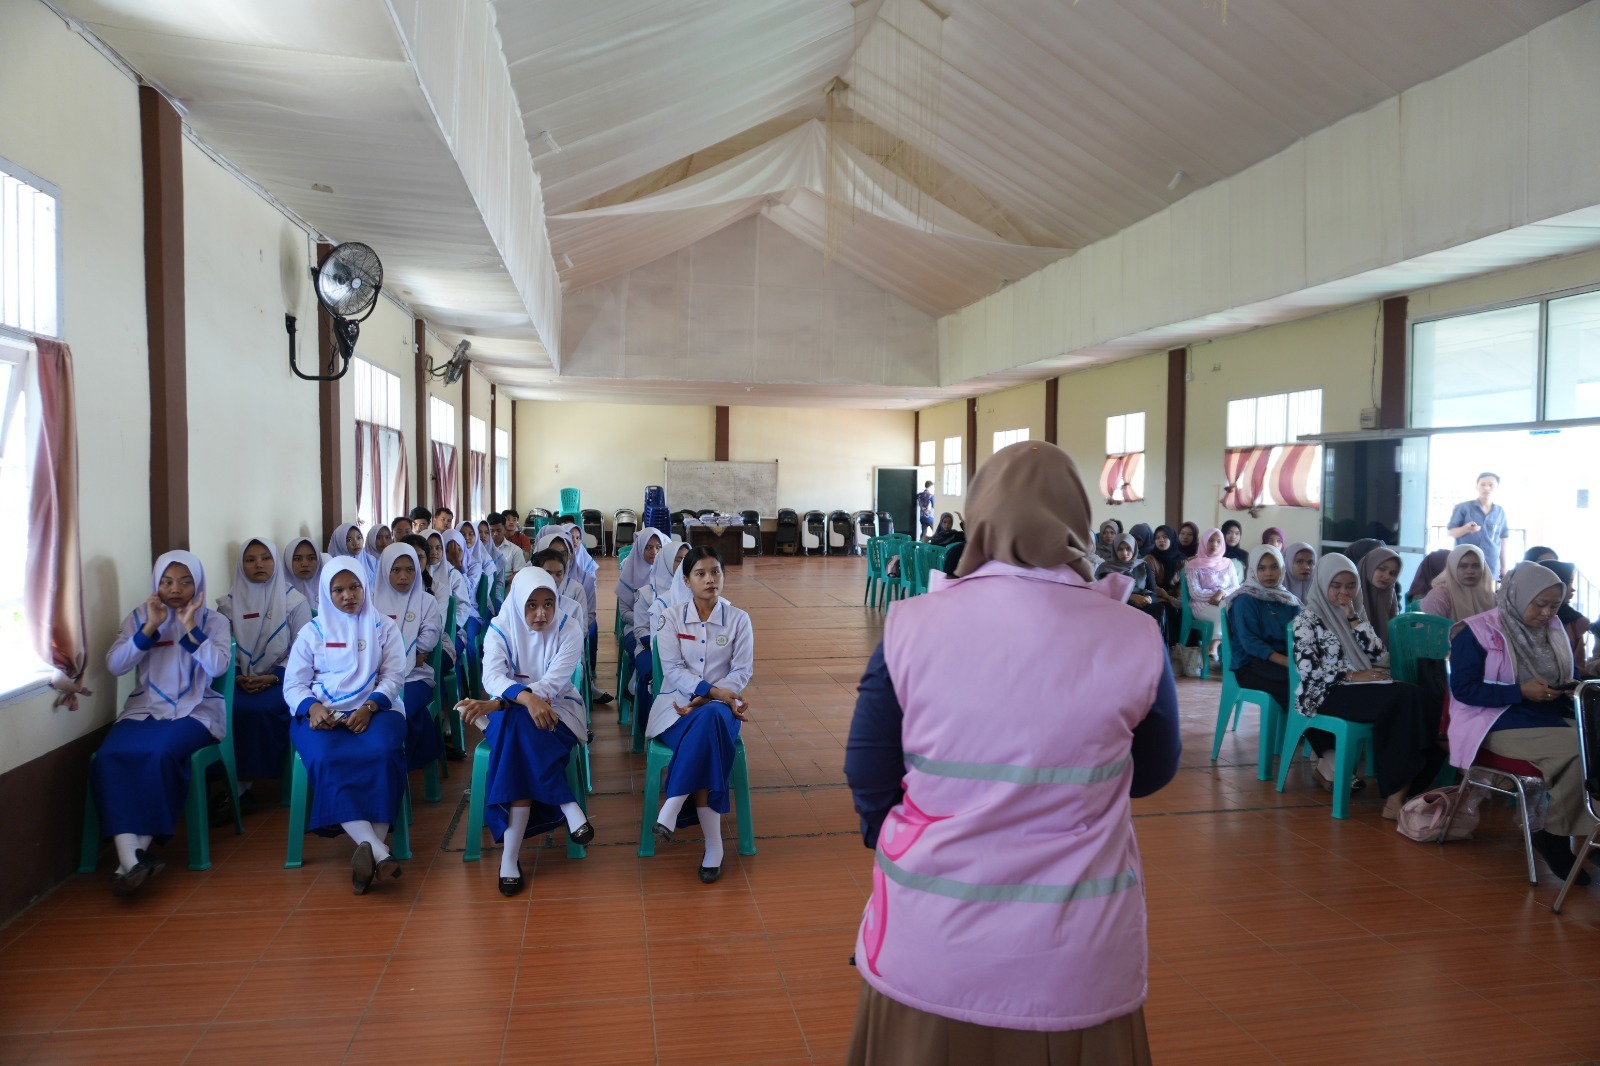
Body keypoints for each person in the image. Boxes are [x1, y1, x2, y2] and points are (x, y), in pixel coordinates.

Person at [843, 441, 1178, 1063]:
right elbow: (1154, 770)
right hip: (1077, 956)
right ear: (1076, 518)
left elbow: (867, 766)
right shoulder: (1134, 631)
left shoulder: (913, 624)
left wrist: (895, 833)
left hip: (932, 943)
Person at [92, 551, 232, 895]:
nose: (176, 589)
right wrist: (150, 627)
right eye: (167, 582)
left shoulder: (213, 620)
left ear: (197, 584)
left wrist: (189, 626)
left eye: (185, 582)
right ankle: (133, 859)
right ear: (156, 583)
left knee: (159, 755)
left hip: (196, 712)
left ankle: (130, 858)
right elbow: (115, 665)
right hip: (144, 711)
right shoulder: (140, 616)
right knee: (110, 756)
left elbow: (218, 668)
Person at [454, 568, 594, 896]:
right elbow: (492, 677)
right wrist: (523, 700)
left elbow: (554, 684)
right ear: (518, 603)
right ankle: (567, 805)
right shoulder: (501, 628)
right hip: (516, 714)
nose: (541, 613)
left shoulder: (569, 628)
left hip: (558, 712)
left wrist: (502, 704)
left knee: (517, 736)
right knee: (520, 730)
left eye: (548, 603)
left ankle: (509, 859)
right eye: (531, 605)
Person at [1447, 563, 1590, 883]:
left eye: (1555, 606)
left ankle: (1589, 833)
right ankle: (1553, 837)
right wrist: (1519, 691)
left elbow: (1572, 676)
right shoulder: (1476, 631)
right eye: (1539, 604)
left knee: (1592, 743)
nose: (1546, 613)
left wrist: (1569, 686)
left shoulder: (1553, 628)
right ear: (1517, 596)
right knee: (1579, 751)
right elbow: (1464, 690)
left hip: (1547, 715)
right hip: (1494, 721)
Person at [283, 558, 409, 894]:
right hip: (322, 716)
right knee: (325, 759)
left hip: (378, 709)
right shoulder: (312, 631)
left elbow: (395, 675)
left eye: (354, 587)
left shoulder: (383, 626)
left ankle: (370, 850)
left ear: (365, 587)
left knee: (383, 751)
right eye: (338, 590)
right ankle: (377, 851)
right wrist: (311, 707)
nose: (348, 596)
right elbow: (293, 683)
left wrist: (370, 707)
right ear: (326, 593)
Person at [1291, 555, 1444, 819]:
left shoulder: (1355, 615)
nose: (1343, 592)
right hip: (1325, 692)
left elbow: (1381, 657)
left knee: (1425, 699)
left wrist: (1353, 618)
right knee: (1406, 698)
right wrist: (1351, 675)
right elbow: (1308, 670)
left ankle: (1406, 792)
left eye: (1351, 586)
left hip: (1364, 685)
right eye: (1336, 585)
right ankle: (1398, 797)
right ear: (1322, 583)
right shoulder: (1307, 620)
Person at [646, 547, 753, 884]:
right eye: (701, 574)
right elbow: (673, 671)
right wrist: (709, 692)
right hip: (677, 709)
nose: (710, 579)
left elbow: (741, 671)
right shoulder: (671, 617)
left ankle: (673, 803)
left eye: (716, 572)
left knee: (710, 721)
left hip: (721, 709)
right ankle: (713, 845)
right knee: (709, 734)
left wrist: (712, 697)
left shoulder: (739, 619)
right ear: (687, 580)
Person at [216, 539, 311, 787]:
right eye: (250, 560)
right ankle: (229, 779)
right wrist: (237, 676)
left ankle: (246, 783)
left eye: (265, 558)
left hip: (285, 678)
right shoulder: (227, 605)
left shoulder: (294, 602)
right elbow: (222, 648)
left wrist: (275, 676)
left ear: (276, 562)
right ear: (240, 566)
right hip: (239, 679)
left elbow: (303, 650)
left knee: (263, 709)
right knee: (225, 709)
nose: (259, 564)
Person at [372, 543, 445, 775]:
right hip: (373, 677)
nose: (404, 576)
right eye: (396, 570)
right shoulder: (370, 602)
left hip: (415, 677)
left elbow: (428, 639)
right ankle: (386, 762)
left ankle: (398, 765)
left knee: (403, 707)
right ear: (384, 571)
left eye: (410, 570)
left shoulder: (426, 601)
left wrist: (396, 655)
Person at [1226, 545, 1302, 720]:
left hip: (1282, 661)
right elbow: (1249, 642)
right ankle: (1306, 735)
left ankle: (1310, 733)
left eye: (1274, 567)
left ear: (1282, 569)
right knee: (1295, 684)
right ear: (1253, 570)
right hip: (1250, 665)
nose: (1268, 573)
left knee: (1318, 679)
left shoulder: (1287, 599)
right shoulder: (1245, 599)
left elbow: (1302, 634)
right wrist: (1288, 662)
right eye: (1262, 568)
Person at [1097, 533, 1168, 643]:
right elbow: (1106, 596)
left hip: (1143, 605)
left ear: (1134, 548)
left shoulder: (1142, 566)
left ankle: (1157, 650)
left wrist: (1148, 600)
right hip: (1119, 607)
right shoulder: (1106, 569)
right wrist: (1132, 597)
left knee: (1159, 608)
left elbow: (1153, 593)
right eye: (1120, 549)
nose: (1124, 553)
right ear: (1115, 549)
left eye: (1128, 548)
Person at [1184, 528, 1241, 662]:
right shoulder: (1193, 565)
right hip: (1201, 605)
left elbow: (1236, 587)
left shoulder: (1228, 563)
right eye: (1210, 540)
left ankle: (1216, 643)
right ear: (1203, 542)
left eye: (1218, 541)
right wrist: (1214, 596)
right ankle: (1217, 647)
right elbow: (1195, 592)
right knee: (1225, 613)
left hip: (1224, 601)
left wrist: (1221, 593)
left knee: (1233, 611)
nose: (1214, 544)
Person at [1447, 472, 1510, 581]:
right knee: (1464, 594)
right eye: (1483, 484)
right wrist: (1466, 528)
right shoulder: (1463, 508)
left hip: (1491, 564)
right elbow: (1451, 532)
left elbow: (1503, 539)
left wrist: (1504, 567)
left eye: (1491, 485)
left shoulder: (1500, 511)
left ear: (1497, 488)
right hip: (1466, 563)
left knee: (1489, 595)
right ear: (1477, 487)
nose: (1486, 488)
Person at [1418, 544, 1495, 623]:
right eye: (1463, 566)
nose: (1470, 571)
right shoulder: (1439, 596)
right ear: (1453, 568)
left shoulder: (1489, 596)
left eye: (1476, 566)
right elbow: (1431, 631)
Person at [1358, 547, 1403, 643]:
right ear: (1370, 566)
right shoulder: (1350, 595)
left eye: (1393, 573)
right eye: (1382, 569)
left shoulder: (1390, 596)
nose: (1387, 576)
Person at [283, 536, 322, 610]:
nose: (305, 564)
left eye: (311, 558)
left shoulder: (330, 588)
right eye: (297, 559)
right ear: (288, 560)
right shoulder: (279, 592)